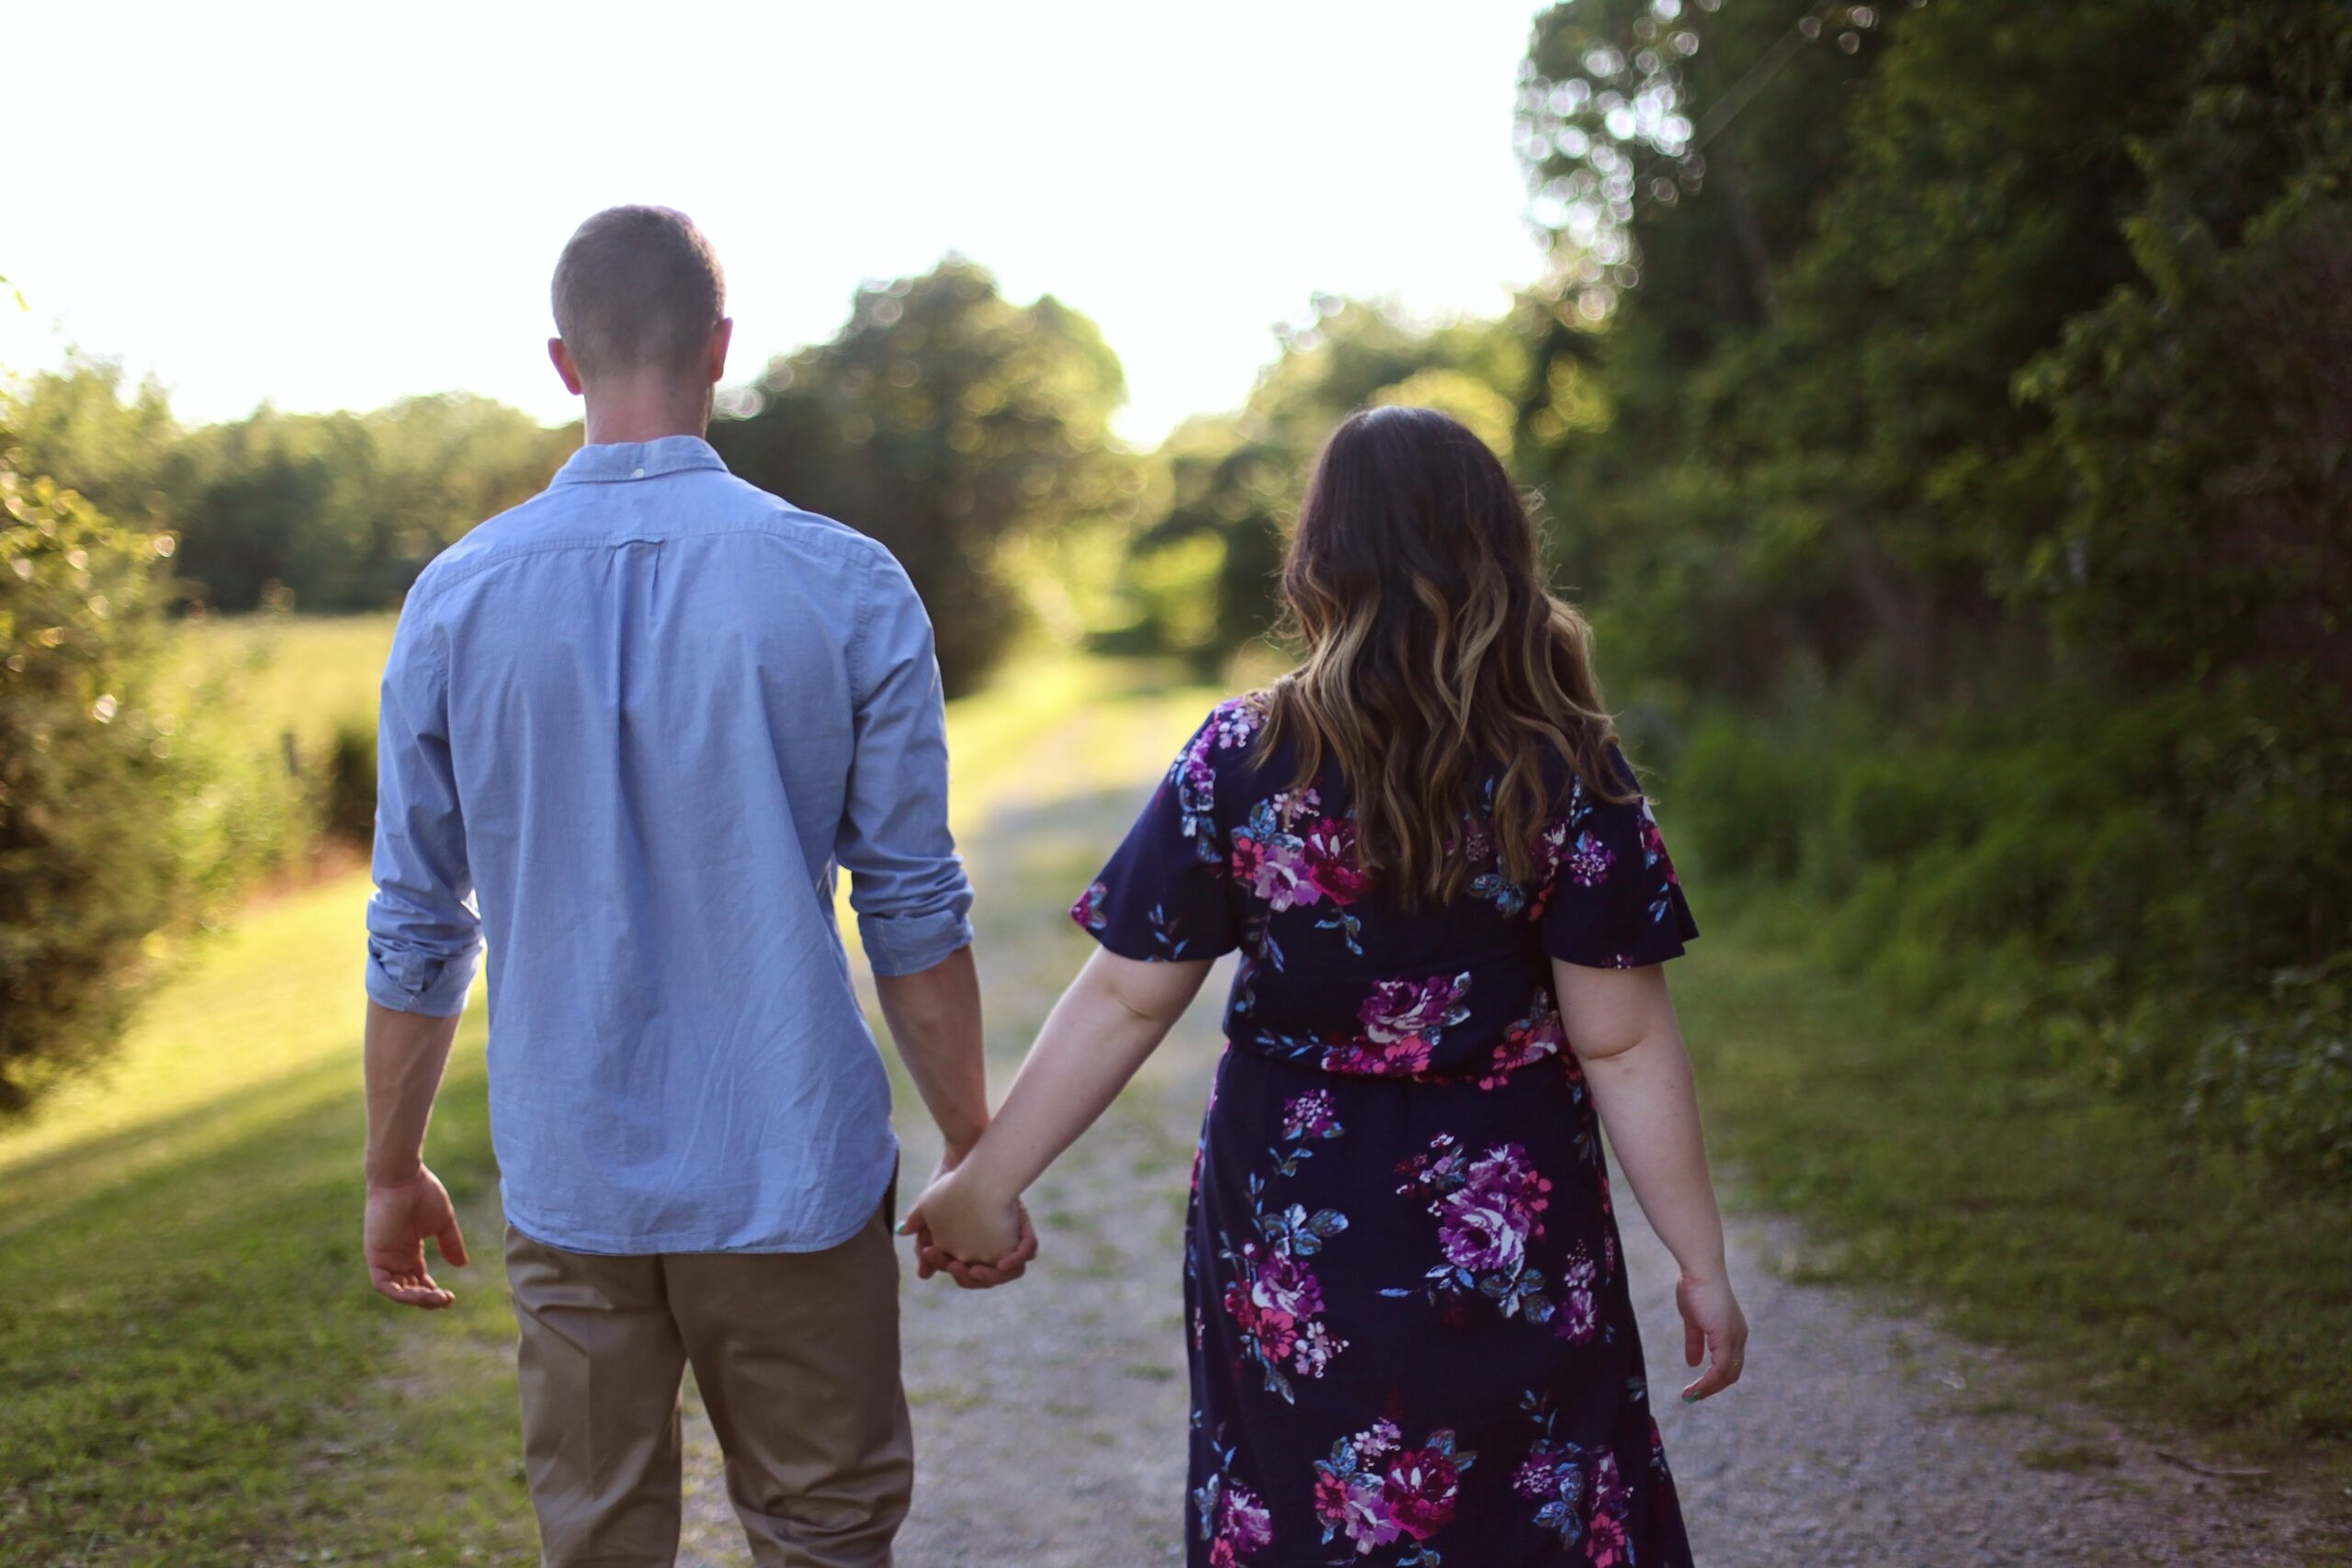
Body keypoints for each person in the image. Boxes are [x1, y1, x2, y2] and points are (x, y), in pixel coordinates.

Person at [909, 405, 1746, 1565]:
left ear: (1318, 560)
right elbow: (1623, 1044)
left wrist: (985, 1181)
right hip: (1509, 1211)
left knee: (1312, 1504)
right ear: (1500, 552)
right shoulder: (1566, 765)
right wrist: (1698, 1261)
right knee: (1533, 1499)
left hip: (1295, 1217)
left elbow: (1125, 997)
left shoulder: (1241, 756)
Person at [358, 204, 1032, 1568]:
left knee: (597, 1541)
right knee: (825, 1531)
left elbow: (422, 924)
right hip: (789, 1163)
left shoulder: (454, 598)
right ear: (722, 347)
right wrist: (976, 1142)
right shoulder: (846, 584)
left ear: (563, 361)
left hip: (572, 1173)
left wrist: (392, 1164)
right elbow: (911, 902)